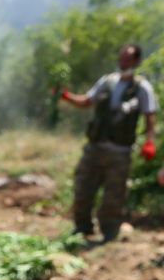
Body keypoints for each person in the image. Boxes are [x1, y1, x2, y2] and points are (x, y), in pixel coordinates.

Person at [55, 43, 158, 243]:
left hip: (120, 150)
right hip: (95, 146)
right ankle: (82, 227)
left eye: (127, 58)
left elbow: (150, 116)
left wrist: (150, 142)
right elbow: (87, 101)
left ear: (136, 61)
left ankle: (110, 232)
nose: (123, 61)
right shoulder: (107, 81)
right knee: (83, 187)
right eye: (121, 57)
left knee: (114, 195)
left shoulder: (142, 87)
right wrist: (67, 97)